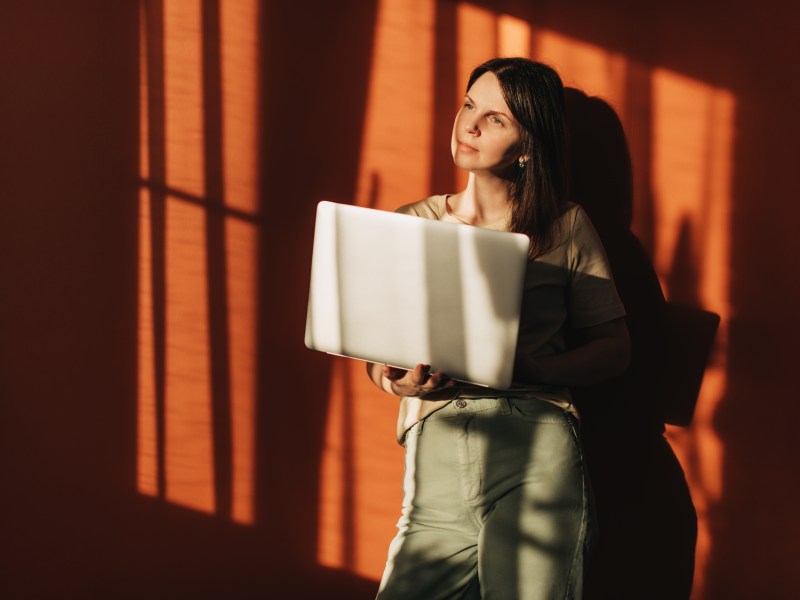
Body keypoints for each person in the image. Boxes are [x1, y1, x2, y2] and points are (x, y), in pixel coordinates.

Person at [366, 57, 630, 599]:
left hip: (533, 444)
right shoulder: (412, 223)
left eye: (497, 119)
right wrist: (398, 382)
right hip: (434, 453)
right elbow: (376, 355)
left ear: (529, 145)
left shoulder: (565, 225)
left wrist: (537, 367)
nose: (470, 124)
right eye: (469, 105)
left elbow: (614, 348)